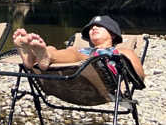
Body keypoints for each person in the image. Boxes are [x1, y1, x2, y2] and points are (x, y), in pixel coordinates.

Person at [12, 14, 145, 81]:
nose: (94, 28)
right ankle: (32, 57)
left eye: (100, 26)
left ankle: (45, 56)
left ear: (114, 35)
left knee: (77, 54)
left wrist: (126, 79)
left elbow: (139, 76)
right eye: (91, 28)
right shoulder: (84, 49)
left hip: (101, 82)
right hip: (73, 80)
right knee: (52, 48)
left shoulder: (122, 51)